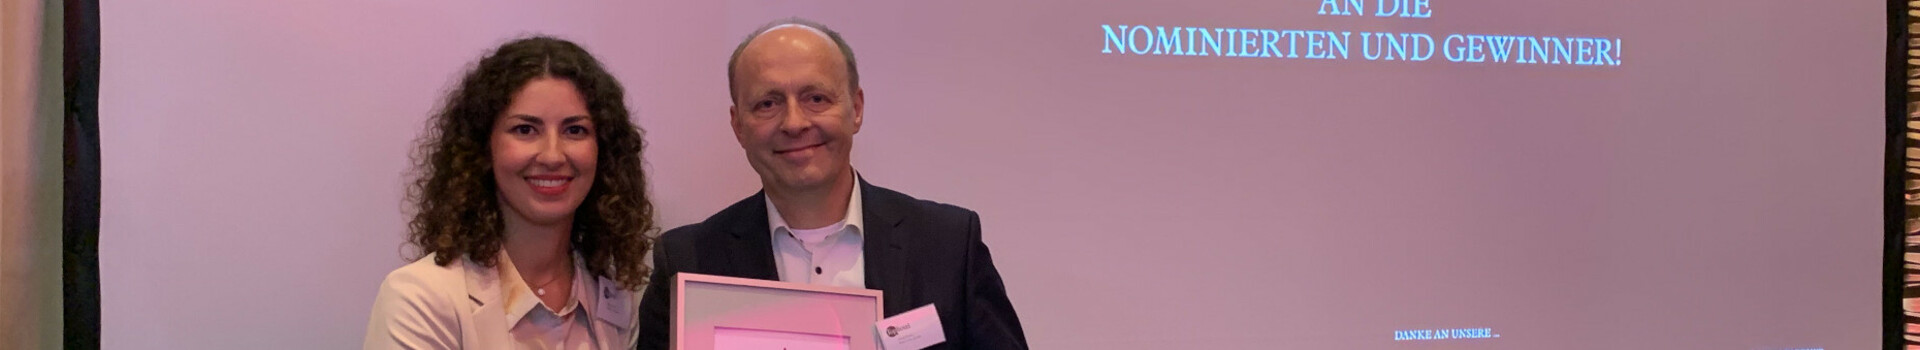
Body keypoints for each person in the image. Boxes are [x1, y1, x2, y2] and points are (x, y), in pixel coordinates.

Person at [635, 18, 1029, 350]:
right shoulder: (687, 261)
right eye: (767, 103)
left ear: (855, 109)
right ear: (738, 125)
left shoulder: (948, 244)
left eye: (816, 98)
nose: (794, 123)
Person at [364, 36, 656, 350]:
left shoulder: (614, 303)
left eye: (575, 130)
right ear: (482, 148)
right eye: (525, 130)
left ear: (604, 151)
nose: (553, 155)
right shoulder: (420, 299)